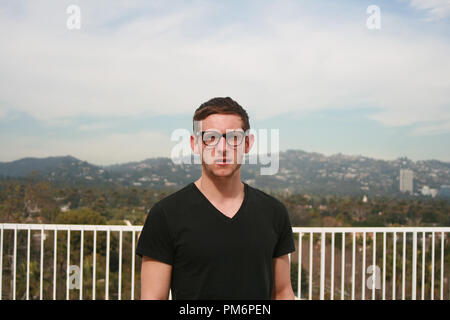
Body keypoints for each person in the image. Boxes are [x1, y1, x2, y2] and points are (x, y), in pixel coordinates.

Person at [136, 97, 296, 300]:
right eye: (211, 138)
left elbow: (282, 292)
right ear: (195, 144)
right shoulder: (165, 215)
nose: (222, 148)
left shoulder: (274, 213)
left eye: (234, 138)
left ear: (247, 144)